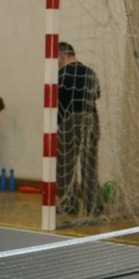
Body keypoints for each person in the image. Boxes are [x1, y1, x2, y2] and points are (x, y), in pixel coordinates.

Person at [56, 42, 101, 217]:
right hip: (92, 119)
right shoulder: (91, 73)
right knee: (90, 164)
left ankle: (69, 203)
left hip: (70, 120)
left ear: (61, 56)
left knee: (66, 164)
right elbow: (97, 94)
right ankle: (93, 204)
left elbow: (57, 101)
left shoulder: (61, 75)